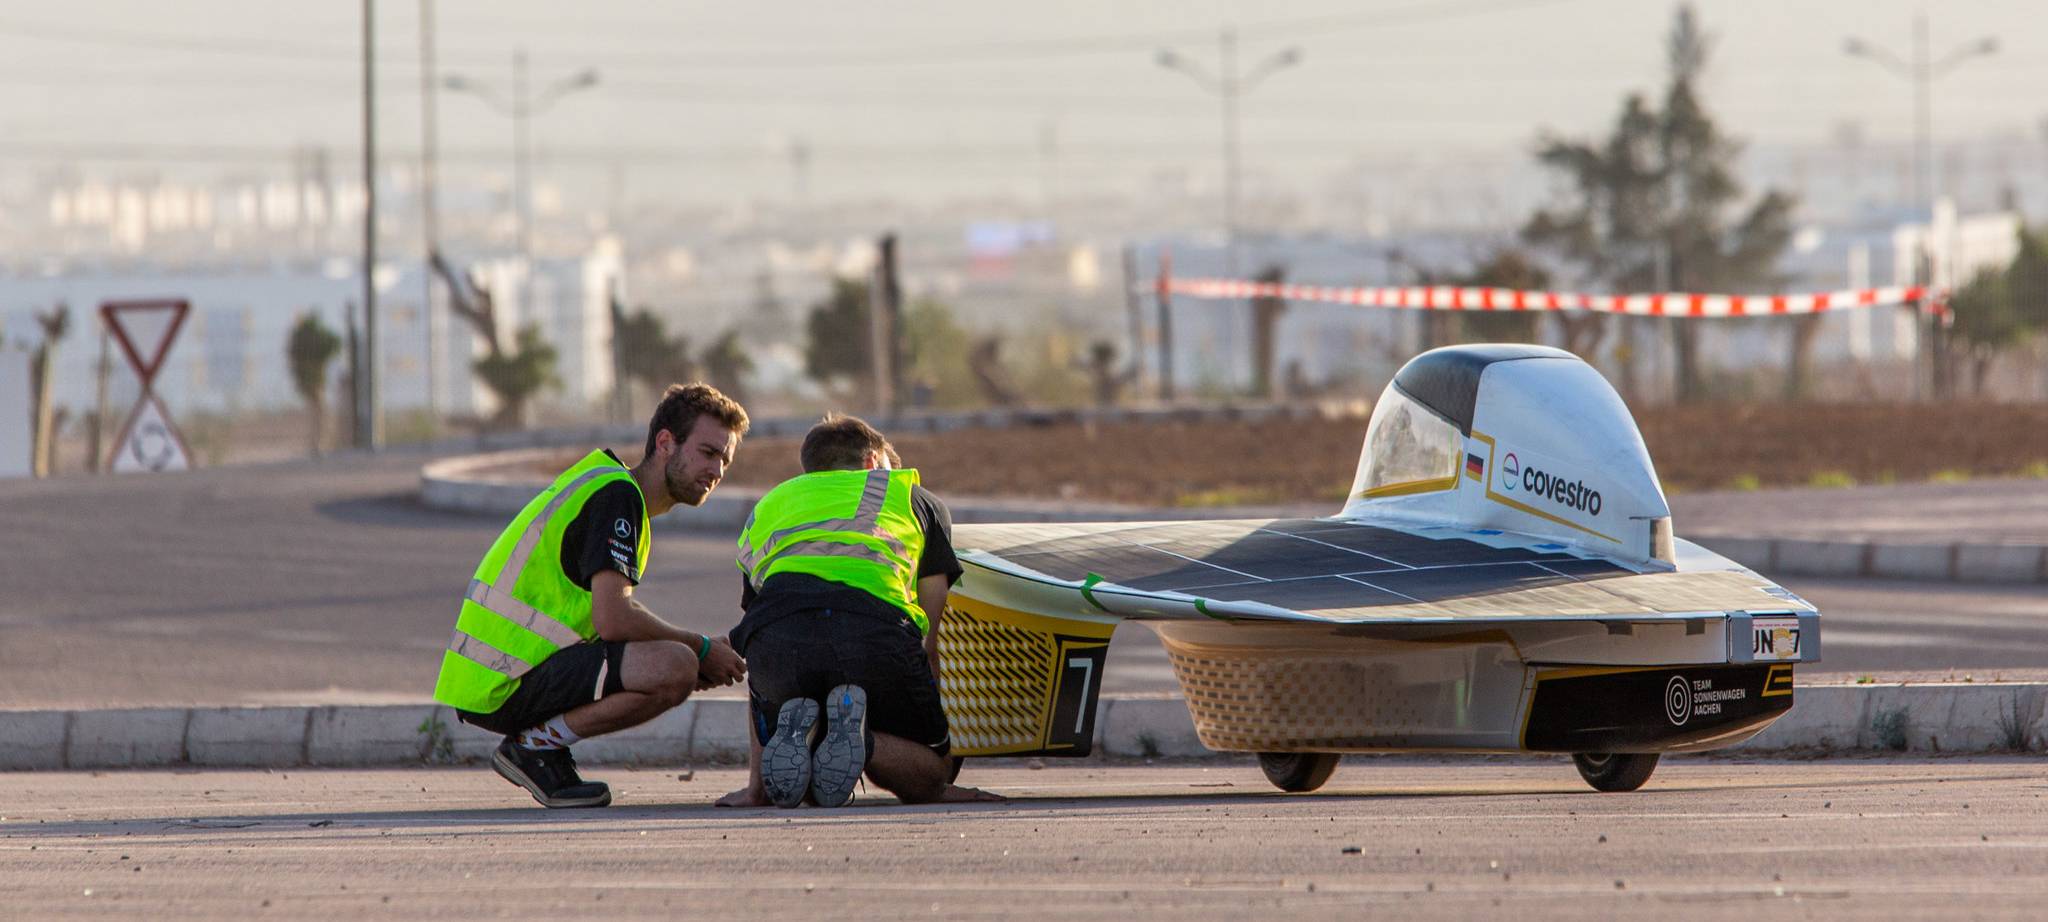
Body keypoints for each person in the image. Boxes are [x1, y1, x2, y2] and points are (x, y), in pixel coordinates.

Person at [432, 383, 751, 808]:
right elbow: (614, 619)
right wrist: (699, 648)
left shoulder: (611, 487)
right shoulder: (618, 495)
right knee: (675, 664)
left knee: (681, 659)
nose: (717, 470)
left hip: (499, 674)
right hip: (503, 680)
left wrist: (702, 652)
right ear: (665, 442)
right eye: (708, 452)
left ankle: (541, 751)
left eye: (725, 460)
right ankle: (535, 749)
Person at [717, 414, 999, 808]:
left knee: (768, 655)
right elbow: (927, 639)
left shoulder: (770, 505)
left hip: (777, 638)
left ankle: (770, 779)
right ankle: (857, 739)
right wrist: (933, 742)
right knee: (931, 773)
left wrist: (754, 790)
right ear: (872, 462)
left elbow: (756, 621)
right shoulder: (913, 498)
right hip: (872, 633)